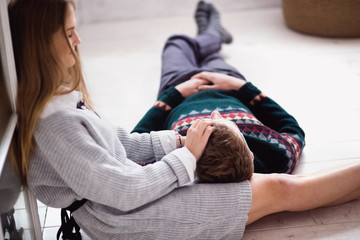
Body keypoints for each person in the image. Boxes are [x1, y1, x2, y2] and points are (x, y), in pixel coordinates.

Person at [8, 0, 360, 239]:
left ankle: (210, 34)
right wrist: (188, 155)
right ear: (40, 43)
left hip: (126, 198)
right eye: (69, 33)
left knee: (280, 188)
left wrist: (180, 140)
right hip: (121, 217)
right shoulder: (56, 123)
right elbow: (124, 191)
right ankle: (211, 34)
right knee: (281, 188)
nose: (79, 41)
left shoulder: (62, 105)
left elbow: (124, 143)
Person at [133, 1, 305, 183]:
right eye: (224, 121)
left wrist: (172, 96)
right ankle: (212, 34)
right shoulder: (278, 157)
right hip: (227, 83)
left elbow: (132, 147)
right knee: (210, 56)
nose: (215, 113)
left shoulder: (177, 156)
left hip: (179, 88)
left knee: (176, 43)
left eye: (204, 124)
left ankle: (212, 34)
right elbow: (293, 129)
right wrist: (241, 87)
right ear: (250, 155)